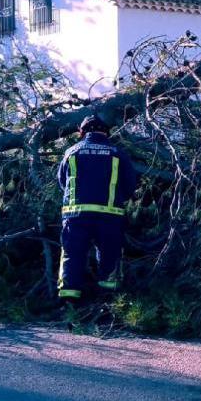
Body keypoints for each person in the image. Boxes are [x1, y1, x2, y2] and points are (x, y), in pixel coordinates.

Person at [56, 116, 138, 300]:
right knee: (110, 254)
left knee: (72, 254)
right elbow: (130, 184)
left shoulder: (71, 152)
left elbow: (63, 182)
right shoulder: (117, 153)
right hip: (109, 215)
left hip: (75, 215)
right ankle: (109, 301)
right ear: (106, 133)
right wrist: (116, 199)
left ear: (82, 132)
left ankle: (69, 301)